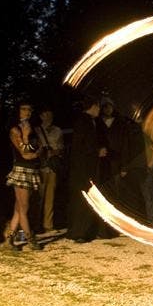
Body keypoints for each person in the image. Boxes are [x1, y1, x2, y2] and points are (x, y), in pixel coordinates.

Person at [66, 96, 108, 243]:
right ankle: (80, 232)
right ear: (94, 106)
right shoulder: (84, 122)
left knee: (85, 199)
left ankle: (85, 231)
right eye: (98, 107)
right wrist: (97, 152)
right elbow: (80, 146)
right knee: (84, 200)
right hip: (83, 168)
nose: (100, 110)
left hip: (85, 168)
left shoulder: (89, 121)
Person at [4, 102, 42, 251]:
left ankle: (9, 238)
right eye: (24, 109)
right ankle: (30, 239)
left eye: (29, 109)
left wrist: (34, 153)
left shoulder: (33, 129)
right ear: (18, 111)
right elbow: (24, 154)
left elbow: (38, 150)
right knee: (24, 207)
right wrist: (25, 137)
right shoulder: (15, 130)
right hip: (22, 170)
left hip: (32, 170)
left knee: (19, 207)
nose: (27, 111)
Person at [35, 107, 64, 233]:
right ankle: (36, 224)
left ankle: (48, 224)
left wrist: (54, 152)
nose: (49, 117)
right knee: (39, 197)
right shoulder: (36, 130)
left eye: (50, 114)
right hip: (40, 166)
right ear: (41, 116)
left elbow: (62, 148)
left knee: (50, 197)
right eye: (46, 114)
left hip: (52, 166)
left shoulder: (58, 130)